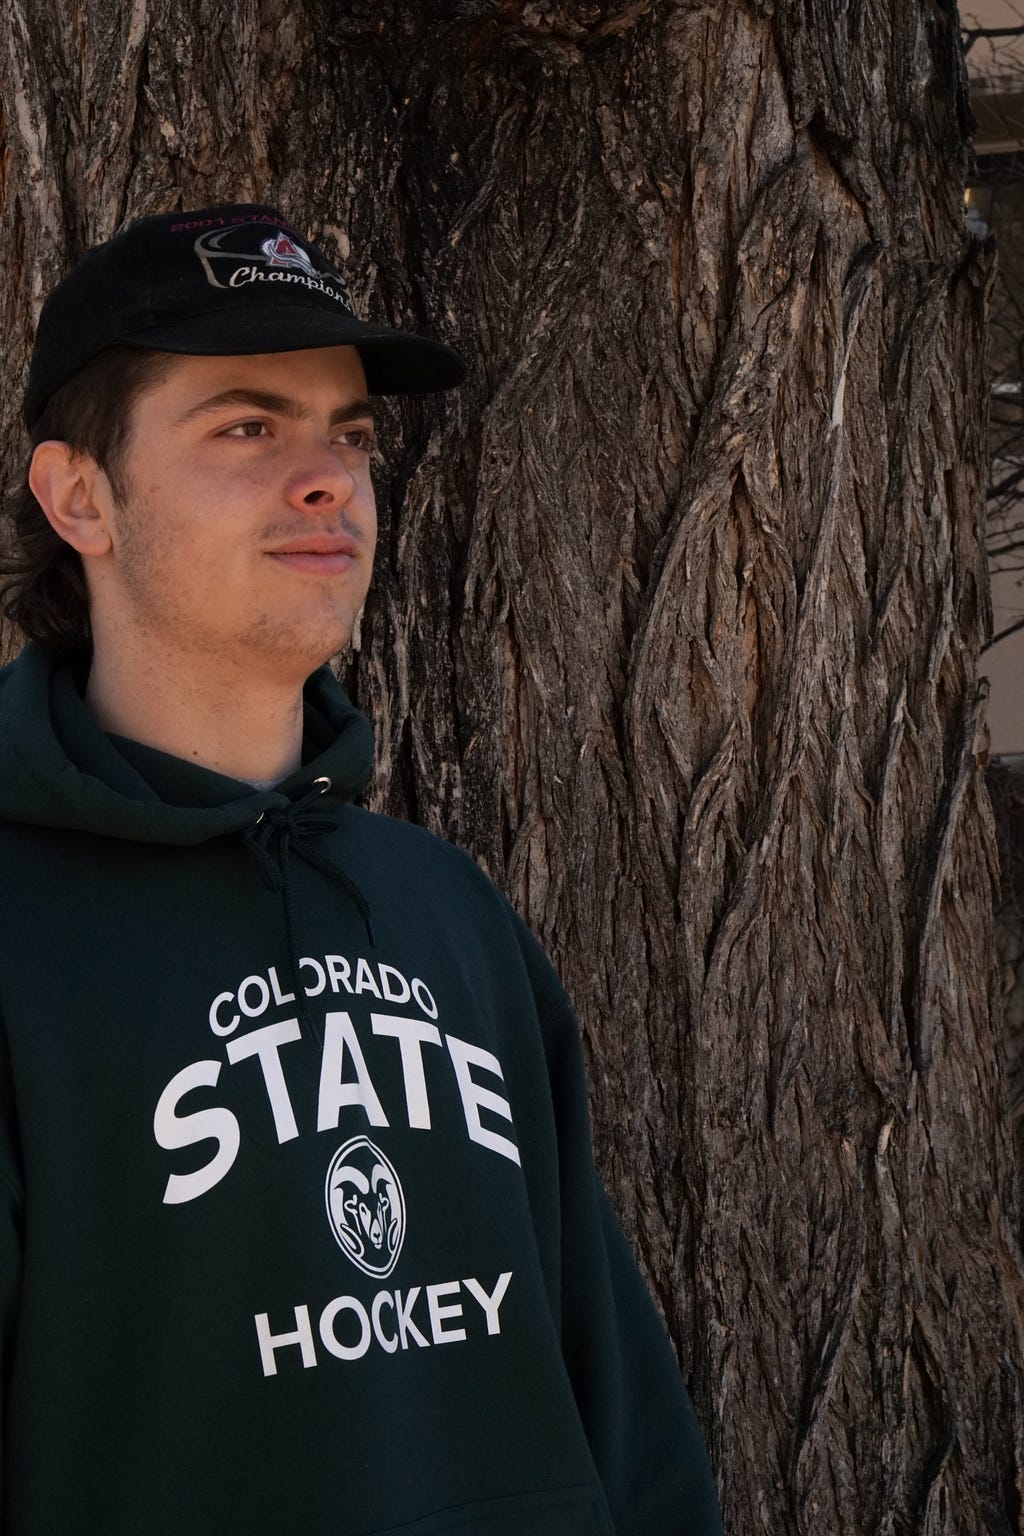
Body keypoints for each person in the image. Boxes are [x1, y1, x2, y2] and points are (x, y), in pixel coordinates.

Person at [0, 203, 723, 1536]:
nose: (330, 478)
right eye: (246, 427)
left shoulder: (446, 910)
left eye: (348, 434)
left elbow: (619, 1408)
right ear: (80, 496)